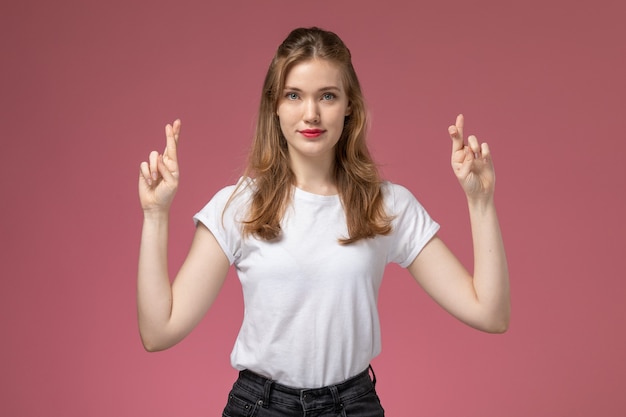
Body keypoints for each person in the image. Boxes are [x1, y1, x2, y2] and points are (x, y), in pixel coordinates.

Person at [137, 27, 509, 417]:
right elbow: (158, 332)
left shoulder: (386, 205)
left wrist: (480, 202)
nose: (310, 114)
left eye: (327, 96)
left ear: (349, 106)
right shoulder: (240, 205)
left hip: (353, 406)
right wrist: (155, 215)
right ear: (275, 105)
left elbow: (490, 313)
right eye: (294, 95)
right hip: (262, 407)